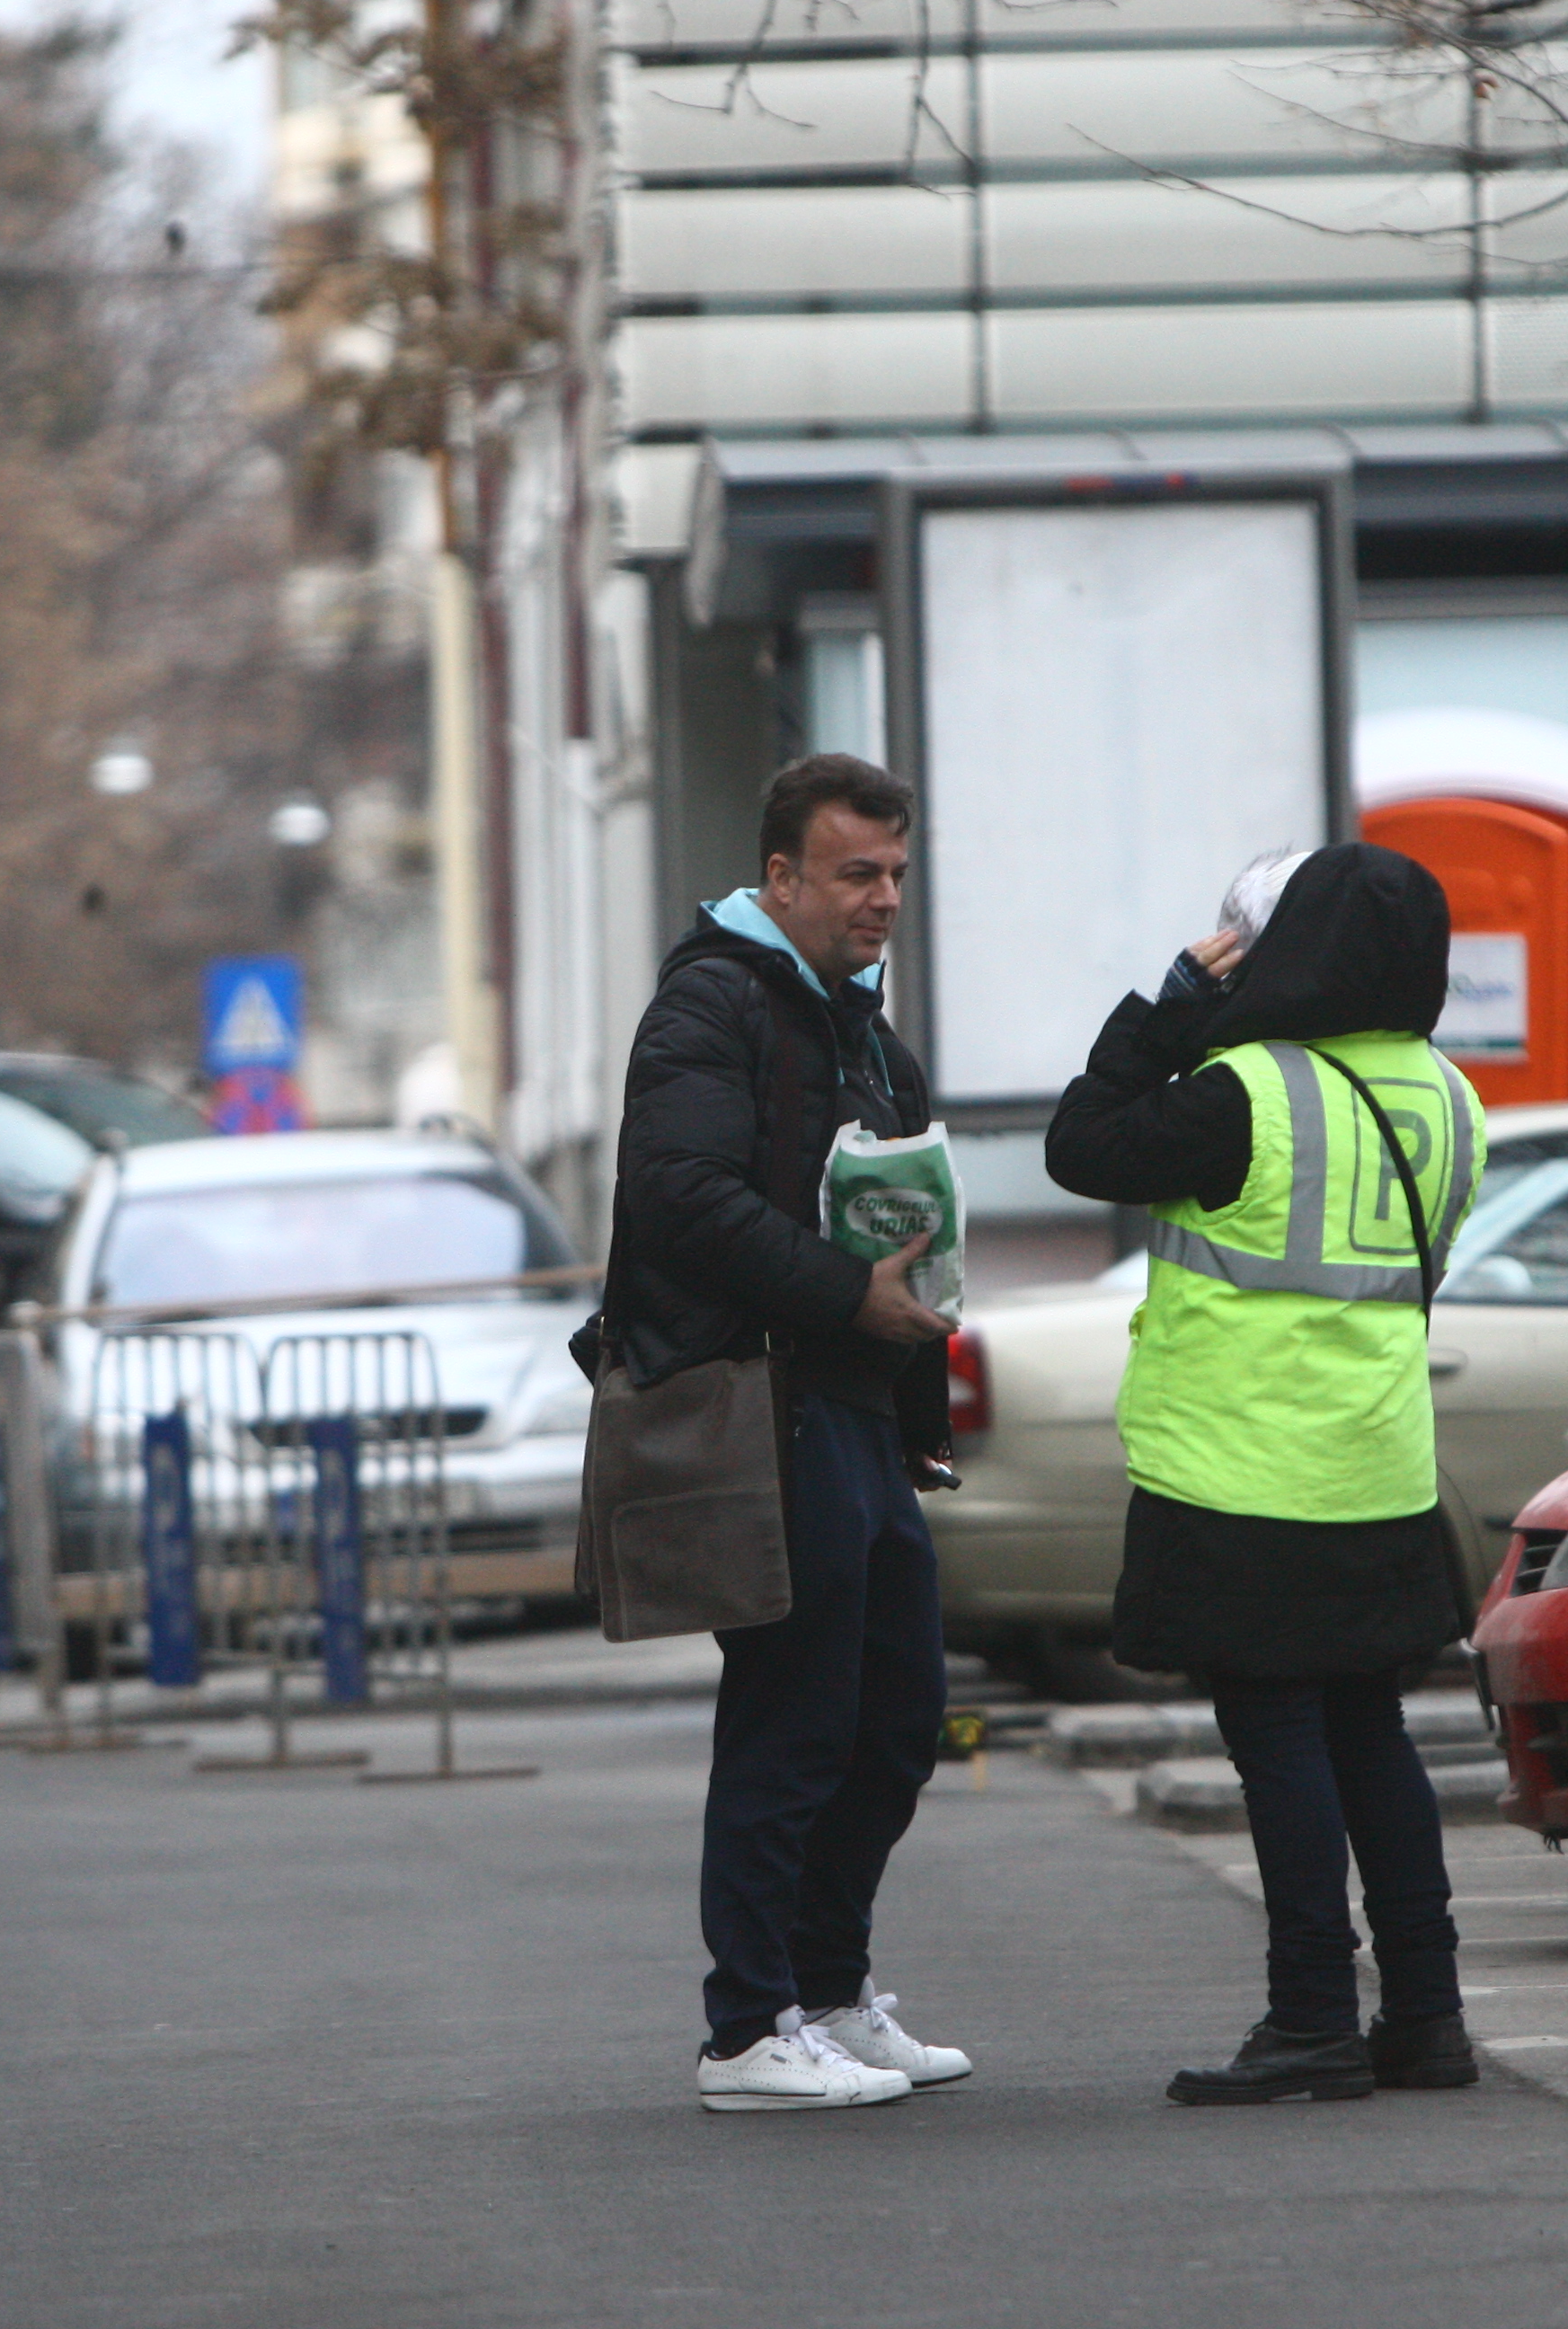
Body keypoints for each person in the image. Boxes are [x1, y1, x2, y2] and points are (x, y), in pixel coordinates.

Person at [1046, 843, 1487, 2103]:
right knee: (1372, 1736)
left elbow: (1085, 1143)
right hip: (1382, 1472)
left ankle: (1309, 2017)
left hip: (1241, 1472)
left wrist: (1174, 1002)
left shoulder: (1246, 1090)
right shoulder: (1450, 1098)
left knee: (1280, 1739)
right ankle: (1426, 2014)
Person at [607, 753, 971, 2112]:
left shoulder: (864, 1029)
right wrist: (842, 1294)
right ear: (780, 878)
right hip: (767, 1405)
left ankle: (826, 1992)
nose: (881, 899)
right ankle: (745, 2031)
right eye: (853, 874)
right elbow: (677, 1193)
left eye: (894, 874)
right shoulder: (715, 1003)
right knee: (795, 1720)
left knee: (896, 1719)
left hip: (861, 1415)